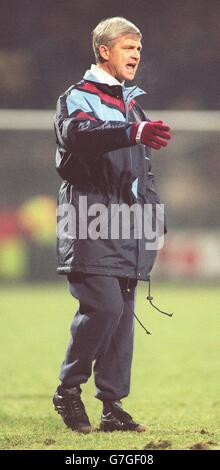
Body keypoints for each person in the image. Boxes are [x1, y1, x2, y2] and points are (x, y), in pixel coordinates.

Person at [53, 16, 171, 434]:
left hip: (127, 223)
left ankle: (112, 406)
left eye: (138, 48)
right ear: (104, 50)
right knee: (105, 306)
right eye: (127, 46)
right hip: (89, 218)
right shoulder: (78, 96)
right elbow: (79, 135)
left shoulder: (133, 105)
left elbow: (143, 174)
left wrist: (154, 217)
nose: (136, 54)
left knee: (123, 317)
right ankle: (68, 390)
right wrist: (131, 130)